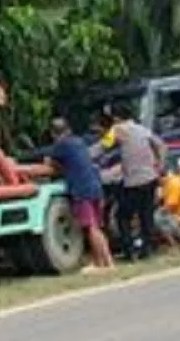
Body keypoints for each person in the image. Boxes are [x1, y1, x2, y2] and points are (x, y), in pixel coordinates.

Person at [44, 118, 115, 273]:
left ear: (54, 134)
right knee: (97, 227)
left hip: (81, 189)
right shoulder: (79, 142)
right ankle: (107, 261)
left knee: (91, 228)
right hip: (96, 186)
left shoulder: (60, 146)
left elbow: (49, 162)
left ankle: (101, 265)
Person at [110, 103, 167, 261]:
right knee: (146, 214)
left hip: (133, 182)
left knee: (123, 216)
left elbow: (102, 147)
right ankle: (147, 249)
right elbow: (161, 145)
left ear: (116, 118)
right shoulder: (142, 129)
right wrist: (160, 165)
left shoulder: (118, 130)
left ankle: (129, 250)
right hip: (150, 178)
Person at [154, 166, 180, 252]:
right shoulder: (166, 184)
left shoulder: (173, 184)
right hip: (178, 218)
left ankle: (175, 244)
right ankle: (177, 241)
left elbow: (169, 207)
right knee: (158, 215)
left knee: (157, 217)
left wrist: (158, 204)